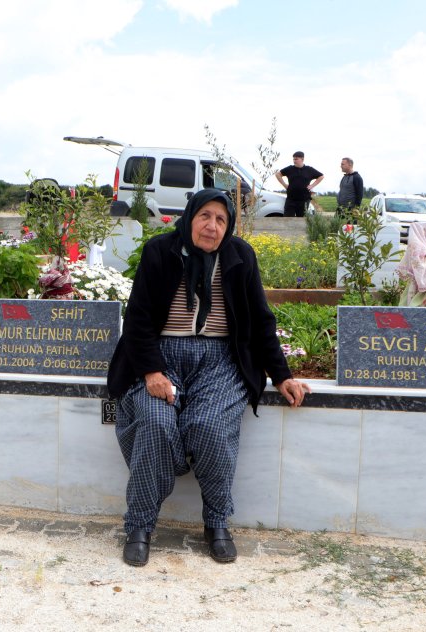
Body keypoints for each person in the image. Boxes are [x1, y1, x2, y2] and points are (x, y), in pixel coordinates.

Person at [107, 189, 310, 567]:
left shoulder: (240, 255)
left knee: (209, 426)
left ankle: (216, 521)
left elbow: (260, 320)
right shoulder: (159, 251)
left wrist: (282, 376)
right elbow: (138, 319)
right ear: (190, 217)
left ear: (228, 226)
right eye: (205, 216)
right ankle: (139, 525)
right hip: (161, 357)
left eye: (221, 219)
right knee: (154, 422)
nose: (212, 226)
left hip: (219, 362)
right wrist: (151, 371)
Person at [397, 223, 426, 307]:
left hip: (422, 277)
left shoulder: (418, 246)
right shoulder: (423, 248)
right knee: (423, 301)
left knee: (415, 299)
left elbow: (416, 260)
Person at [275, 151, 323, 217]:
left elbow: (321, 176)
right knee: (287, 219)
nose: (294, 161)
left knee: (301, 220)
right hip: (291, 199)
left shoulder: (309, 170)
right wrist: (284, 185)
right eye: (293, 159)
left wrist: (312, 185)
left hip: (304, 200)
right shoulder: (290, 169)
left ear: (302, 159)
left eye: (296, 159)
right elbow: (278, 174)